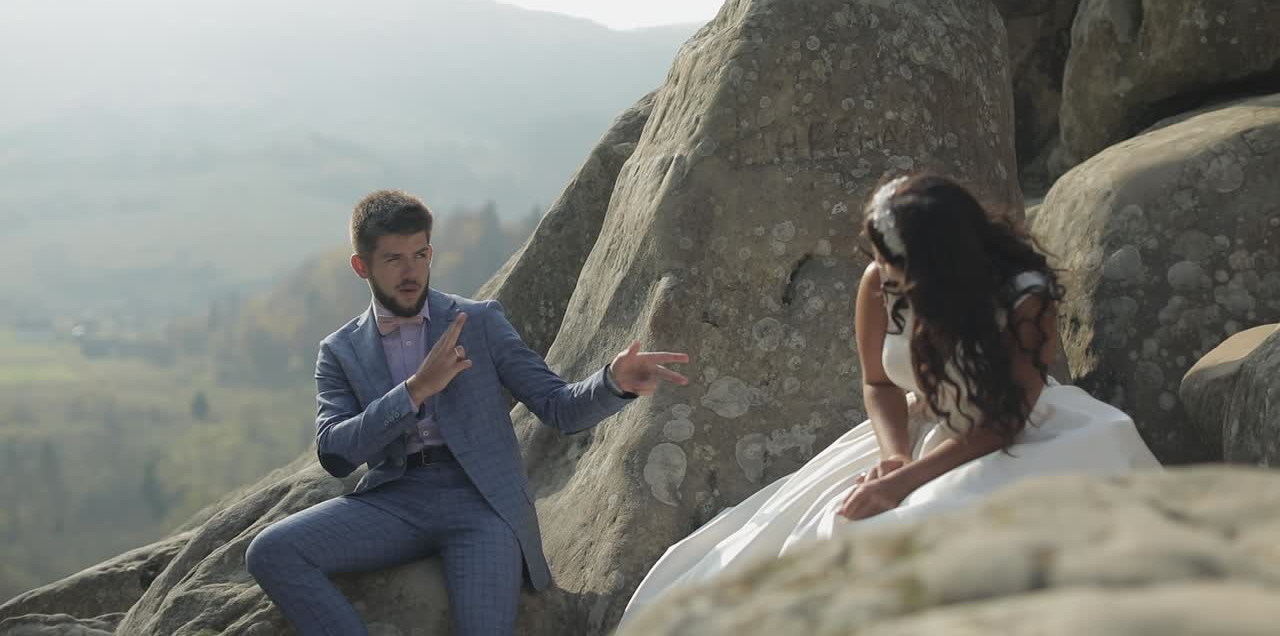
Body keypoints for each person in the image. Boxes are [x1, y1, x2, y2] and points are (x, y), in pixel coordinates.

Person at [623, 173, 1159, 617]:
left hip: (1017, 433)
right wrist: (894, 456)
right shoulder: (880, 281)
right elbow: (878, 383)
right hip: (918, 429)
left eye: (896, 264)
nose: (884, 274)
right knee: (817, 539)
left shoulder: (1023, 295)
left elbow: (1006, 418)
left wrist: (906, 481)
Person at [245, 189, 690, 636]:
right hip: (395, 501)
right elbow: (335, 453)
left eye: (420, 255)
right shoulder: (340, 351)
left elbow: (560, 408)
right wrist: (414, 391)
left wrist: (613, 380)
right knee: (270, 550)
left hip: (481, 503)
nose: (411, 271)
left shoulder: (478, 321)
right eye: (394, 259)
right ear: (362, 266)